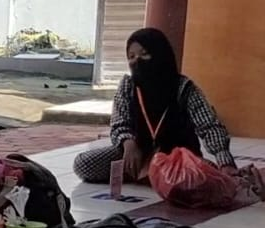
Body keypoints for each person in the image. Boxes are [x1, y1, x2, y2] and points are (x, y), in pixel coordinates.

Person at [74, 27, 238, 183]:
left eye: (144, 54)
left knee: (204, 174)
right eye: (131, 56)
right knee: (84, 163)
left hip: (177, 156)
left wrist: (225, 161)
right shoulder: (128, 86)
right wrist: (128, 144)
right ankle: (148, 172)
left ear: (160, 55)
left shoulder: (183, 87)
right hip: (138, 152)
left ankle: (158, 174)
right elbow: (119, 123)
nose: (136, 61)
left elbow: (209, 126)